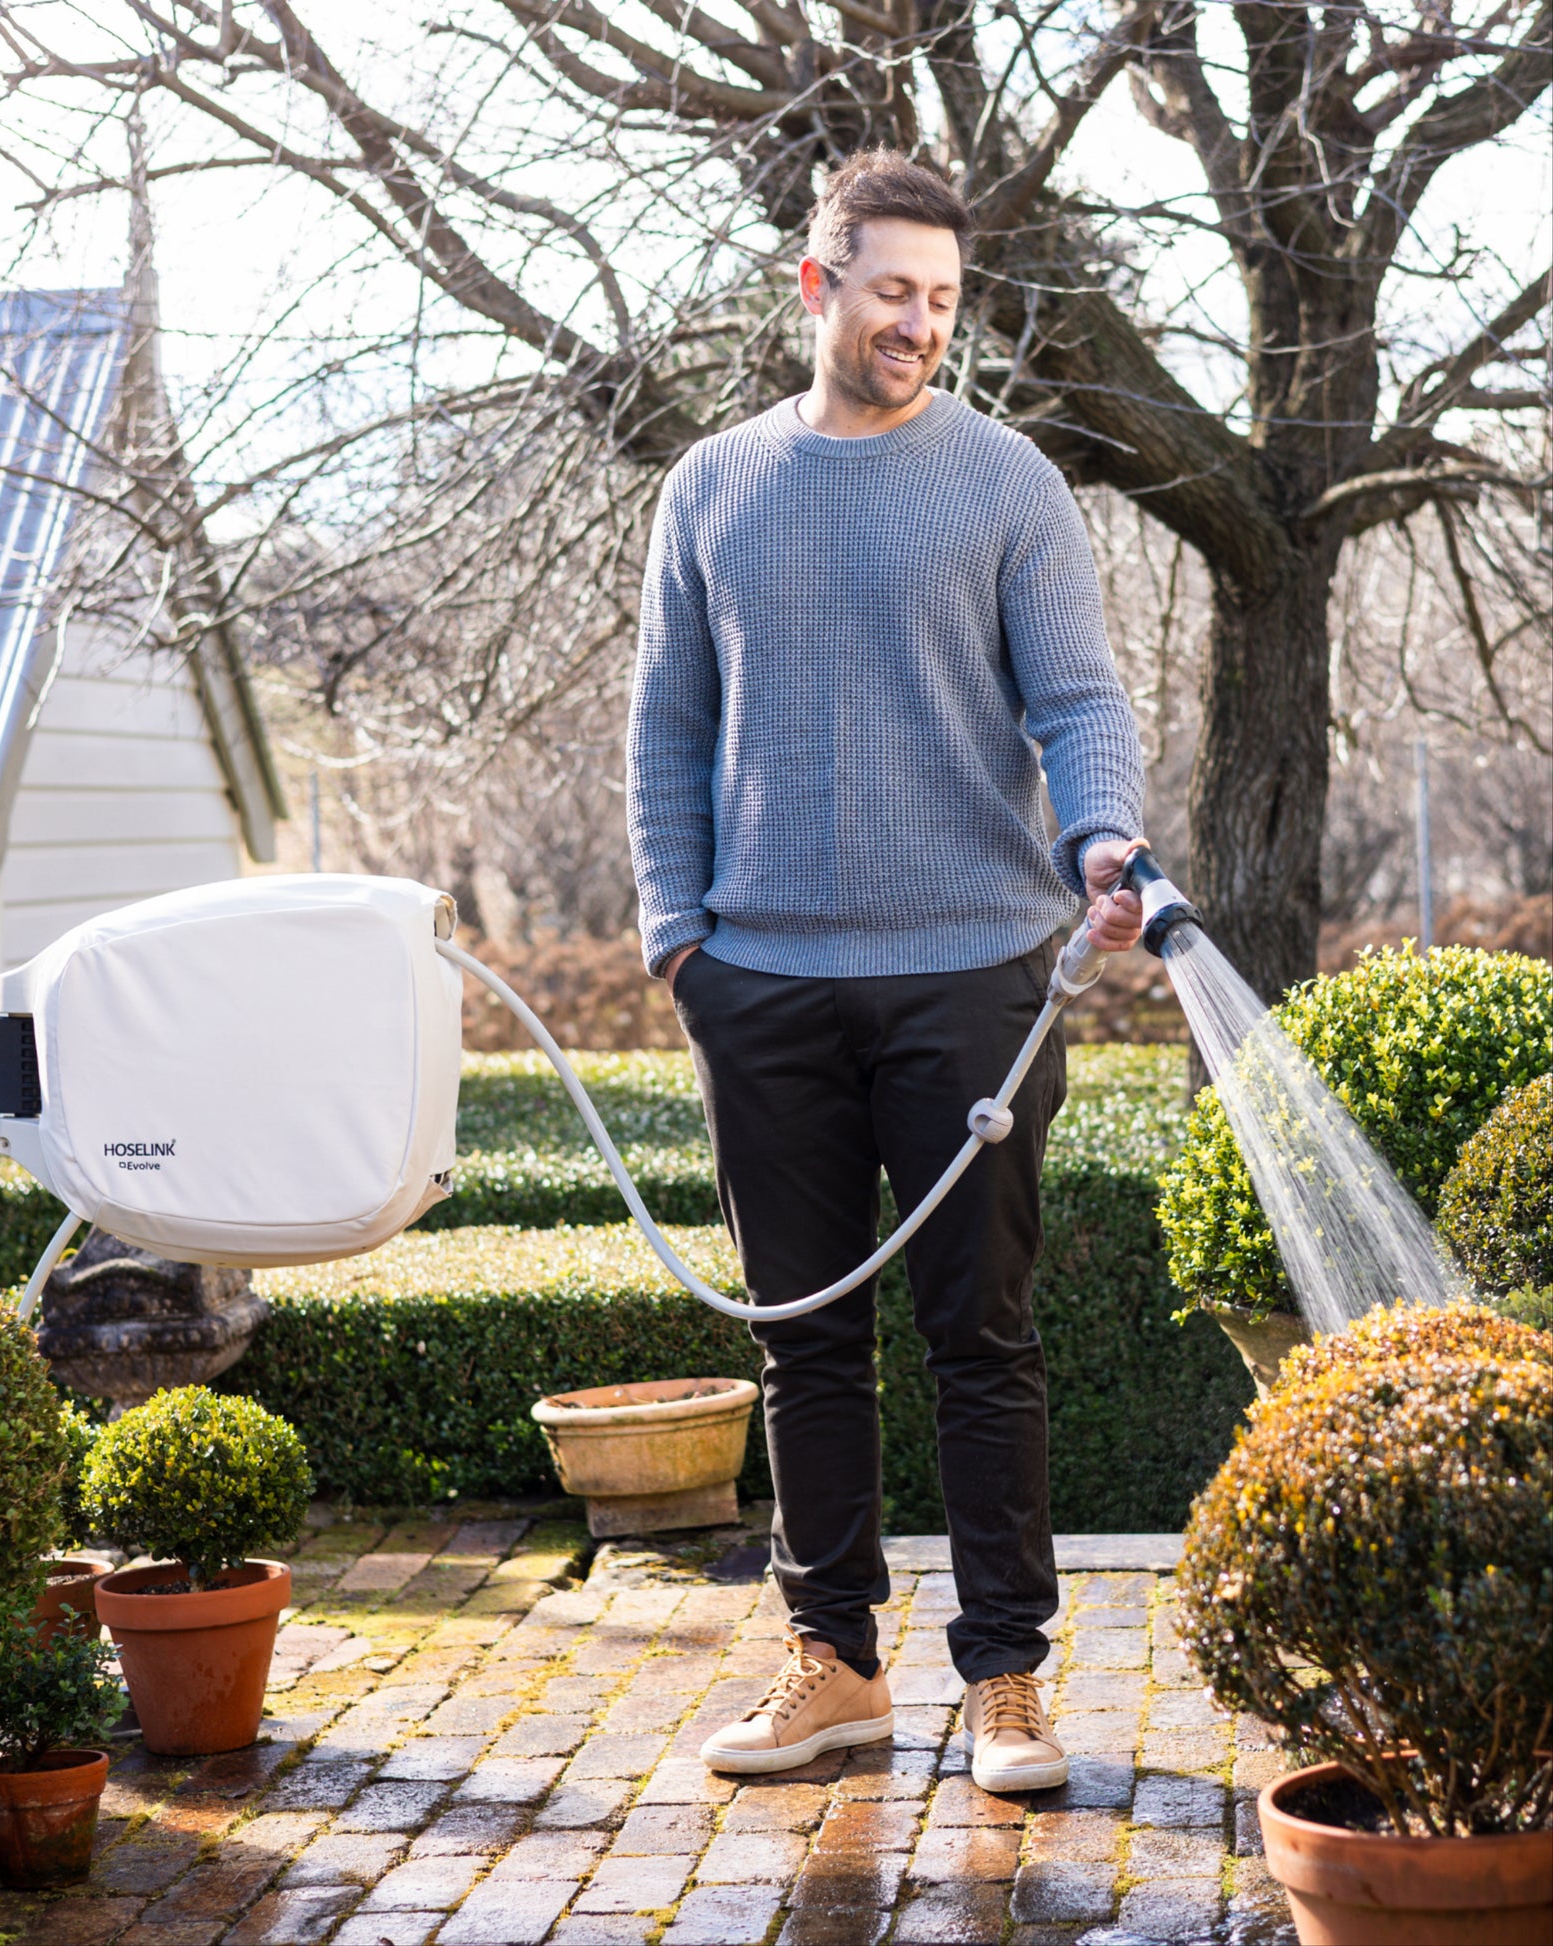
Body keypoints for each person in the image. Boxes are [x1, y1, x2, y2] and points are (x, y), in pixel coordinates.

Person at [625, 150, 1148, 1792]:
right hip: (759, 979)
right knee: (804, 1336)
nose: (920, 321)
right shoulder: (708, 486)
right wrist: (678, 934)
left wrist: (1102, 839)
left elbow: (1076, 700)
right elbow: (667, 727)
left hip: (972, 975)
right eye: (891, 291)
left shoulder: (1004, 485)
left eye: (941, 296)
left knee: (978, 1339)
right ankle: (834, 1664)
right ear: (816, 288)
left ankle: (1004, 1678)